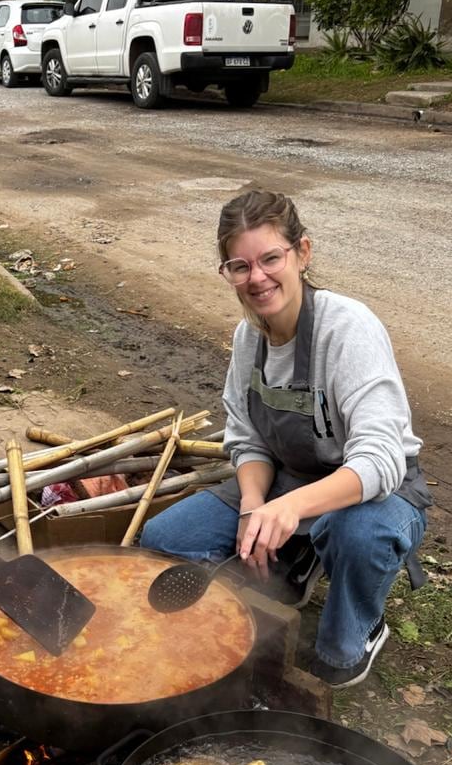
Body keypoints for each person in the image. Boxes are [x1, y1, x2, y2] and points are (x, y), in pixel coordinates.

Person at [141, 190, 432, 688]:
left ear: (302, 253)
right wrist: (255, 502)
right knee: (165, 539)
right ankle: (283, 575)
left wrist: (292, 508)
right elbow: (247, 438)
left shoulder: (347, 329)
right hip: (284, 481)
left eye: (271, 258)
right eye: (239, 265)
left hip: (374, 492)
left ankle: (357, 632)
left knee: (358, 539)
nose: (257, 278)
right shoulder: (247, 338)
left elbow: (382, 459)